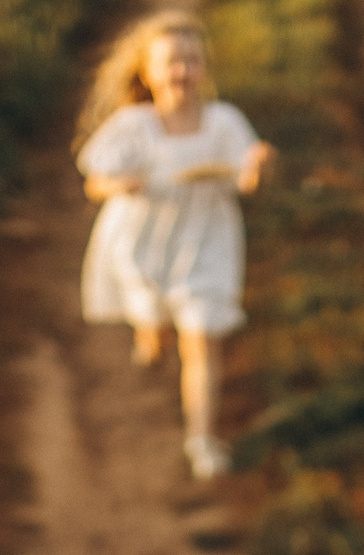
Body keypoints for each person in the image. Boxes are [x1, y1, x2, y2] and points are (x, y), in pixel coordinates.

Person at [75, 10, 275, 480]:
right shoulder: (132, 124)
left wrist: (261, 166)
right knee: (156, 325)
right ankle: (151, 331)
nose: (182, 71)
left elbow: (248, 177)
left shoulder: (225, 122)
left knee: (201, 339)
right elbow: (94, 181)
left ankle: (201, 439)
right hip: (144, 244)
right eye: (171, 62)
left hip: (206, 240)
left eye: (192, 60)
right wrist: (118, 184)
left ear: (205, 68)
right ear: (148, 73)